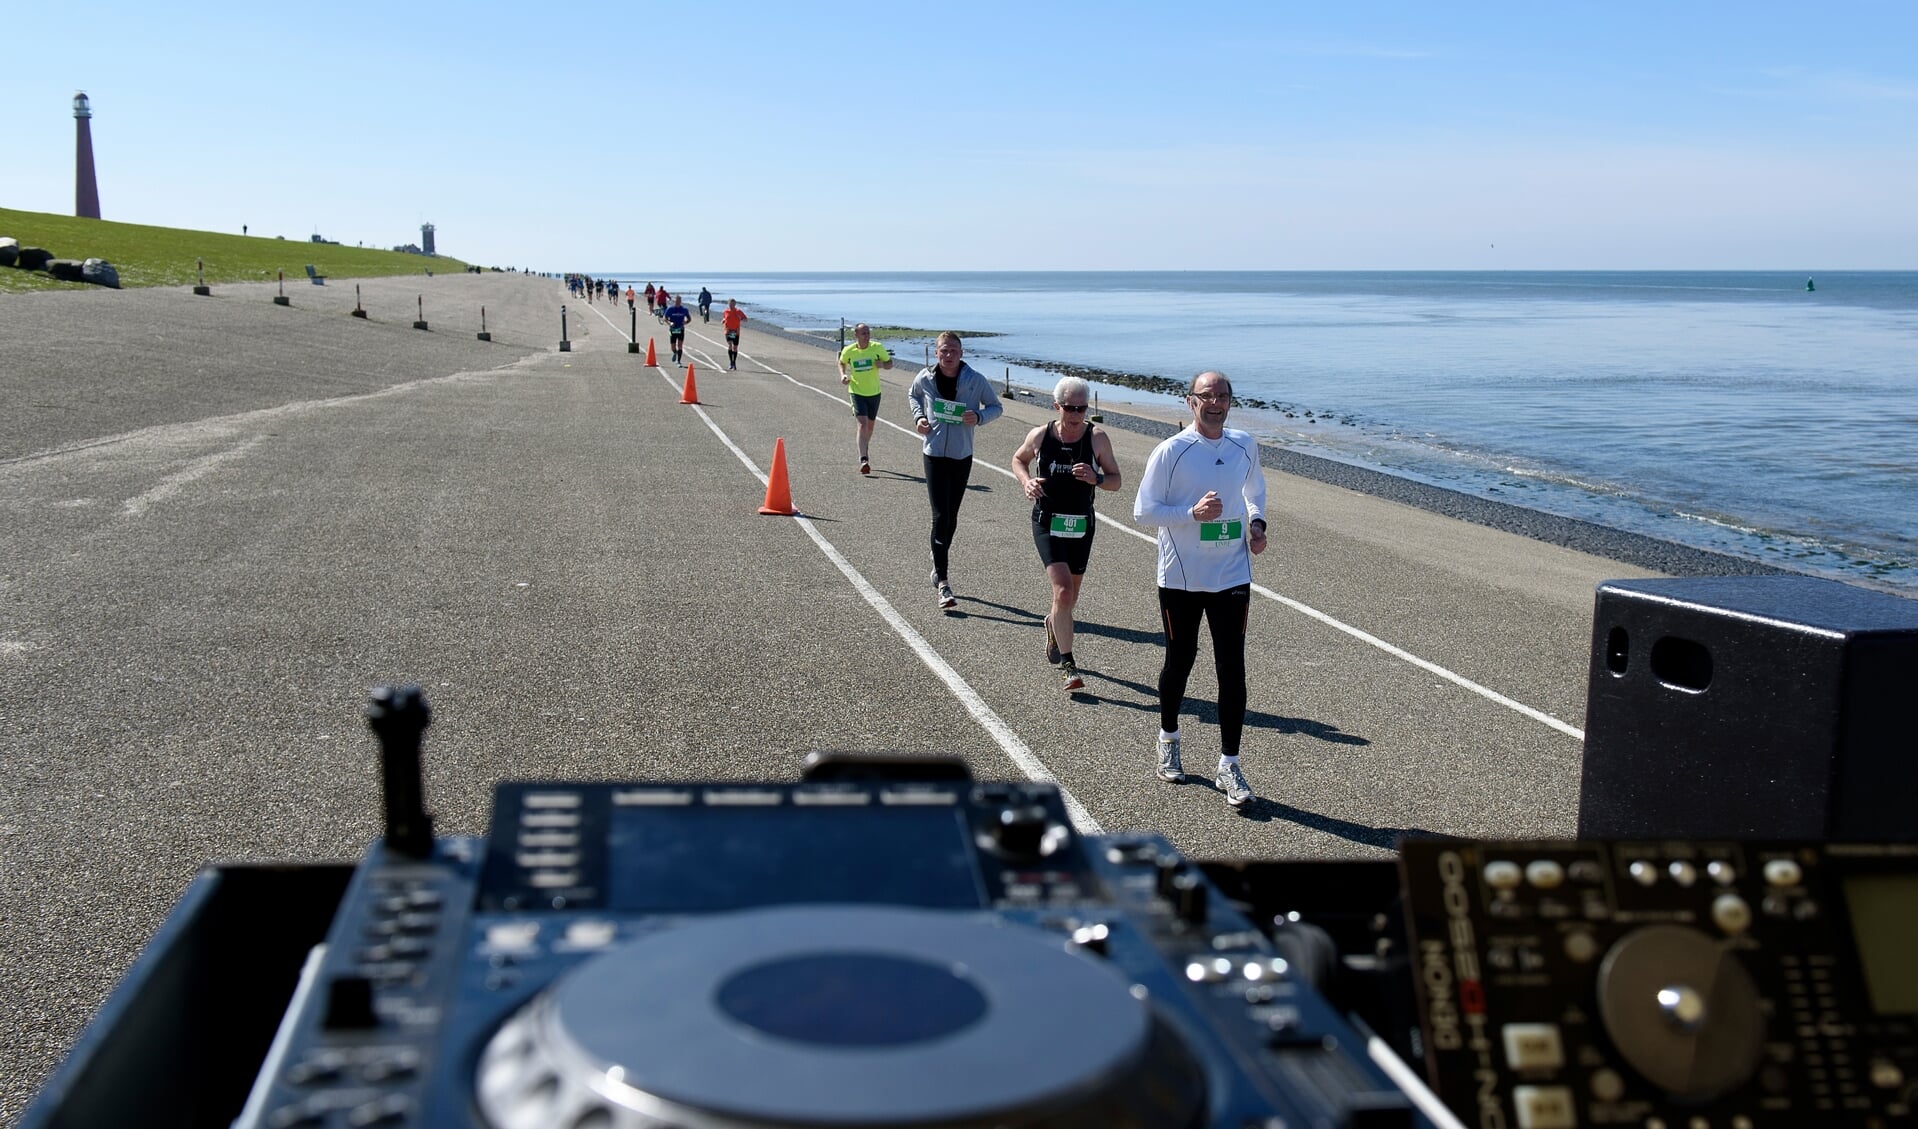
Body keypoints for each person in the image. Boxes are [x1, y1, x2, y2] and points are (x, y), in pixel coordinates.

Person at [1133, 371, 1268, 808]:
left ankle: (1230, 764)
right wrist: (1191, 513)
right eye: (1206, 396)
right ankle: (1168, 737)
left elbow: (1254, 488)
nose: (1215, 403)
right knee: (1181, 660)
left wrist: (1258, 521)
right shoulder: (1171, 452)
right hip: (1181, 578)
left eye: (1222, 396)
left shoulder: (1244, 445)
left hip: (1232, 575)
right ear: (1190, 403)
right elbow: (1143, 512)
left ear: (1231, 401)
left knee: (1233, 669)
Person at [1012, 376, 1122, 691]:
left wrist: (1096, 478)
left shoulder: (1097, 438)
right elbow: (1018, 460)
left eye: (1082, 408)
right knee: (1062, 592)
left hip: (1081, 525)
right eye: (1070, 408)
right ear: (1057, 405)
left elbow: (1116, 480)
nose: (1076, 415)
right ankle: (1069, 665)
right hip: (1047, 521)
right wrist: (1026, 482)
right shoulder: (1041, 435)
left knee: (1069, 598)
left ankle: (1053, 625)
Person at [908, 332, 1003, 609]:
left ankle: (938, 558)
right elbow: (912, 395)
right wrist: (919, 418)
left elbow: (997, 407)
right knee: (939, 515)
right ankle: (944, 584)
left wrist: (980, 417)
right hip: (934, 454)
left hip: (962, 455)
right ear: (936, 353)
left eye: (953, 351)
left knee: (951, 516)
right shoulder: (925, 378)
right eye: (943, 351)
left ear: (961, 354)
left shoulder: (975, 380)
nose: (948, 355)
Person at [838, 323, 893, 474]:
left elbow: (890, 364)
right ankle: (864, 459)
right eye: (863, 333)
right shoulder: (849, 351)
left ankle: (864, 445)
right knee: (862, 424)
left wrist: (882, 364)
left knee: (870, 427)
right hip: (856, 391)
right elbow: (841, 362)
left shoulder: (877, 348)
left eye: (868, 333)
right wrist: (843, 375)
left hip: (874, 392)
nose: (866, 336)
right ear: (856, 335)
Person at [663, 293, 692, 364]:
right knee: (673, 347)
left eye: (679, 301)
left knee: (680, 345)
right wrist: (670, 323)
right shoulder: (670, 309)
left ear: (681, 301)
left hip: (680, 329)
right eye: (676, 301)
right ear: (674, 301)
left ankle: (678, 361)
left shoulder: (684, 309)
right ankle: (675, 353)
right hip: (673, 329)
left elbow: (689, 318)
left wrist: (685, 322)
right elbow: (665, 318)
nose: (678, 302)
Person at [721, 299, 747, 369]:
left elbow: (746, 319)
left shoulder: (738, 311)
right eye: (730, 304)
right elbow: (724, 317)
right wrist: (723, 320)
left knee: (735, 347)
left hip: (736, 331)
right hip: (728, 331)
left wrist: (740, 319)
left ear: (735, 304)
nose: (731, 306)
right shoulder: (726, 311)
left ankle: (734, 362)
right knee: (730, 344)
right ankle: (731, 362)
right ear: (728, 304)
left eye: (733, 304)